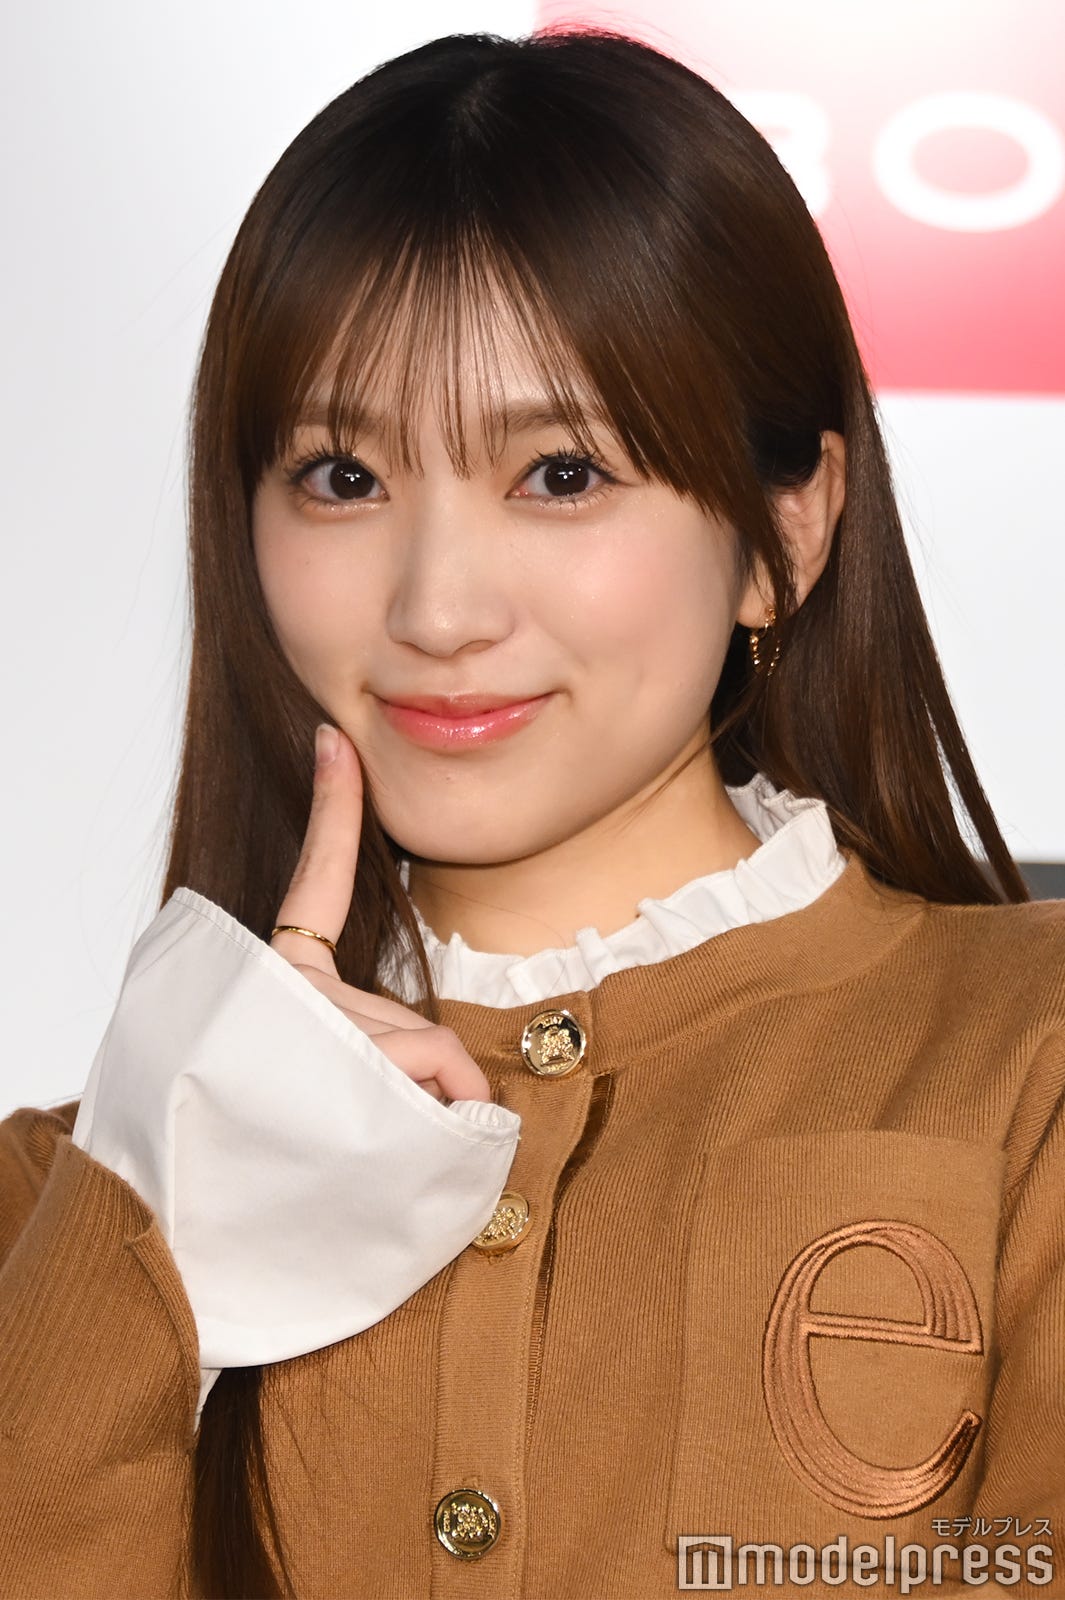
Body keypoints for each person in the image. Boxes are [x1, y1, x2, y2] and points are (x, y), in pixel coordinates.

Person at [1, 24, 1062, 1600]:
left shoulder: (1028, 1060)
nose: (435, 609)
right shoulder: (66, 1195)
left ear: (785, 532)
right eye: (341, 476)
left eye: (560, 473)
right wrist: (154, 1220)